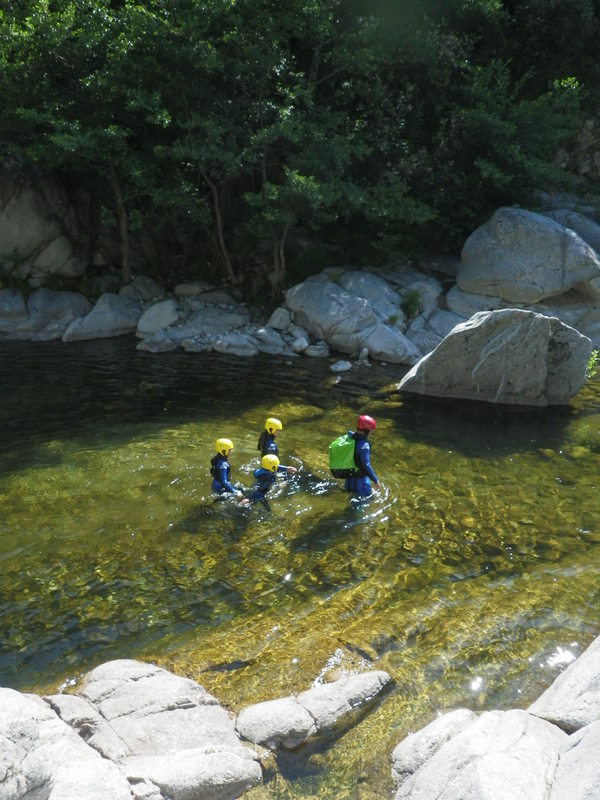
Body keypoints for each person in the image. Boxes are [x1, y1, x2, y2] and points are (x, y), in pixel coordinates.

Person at [344, 414, 380, 498]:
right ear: (368, 430)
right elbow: (366, 464)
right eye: (371, 430)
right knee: (363, 502)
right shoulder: (364, 446)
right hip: (360, 482)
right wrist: (375, 480)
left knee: (351, 496)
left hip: (348, 479)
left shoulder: (349, 438)